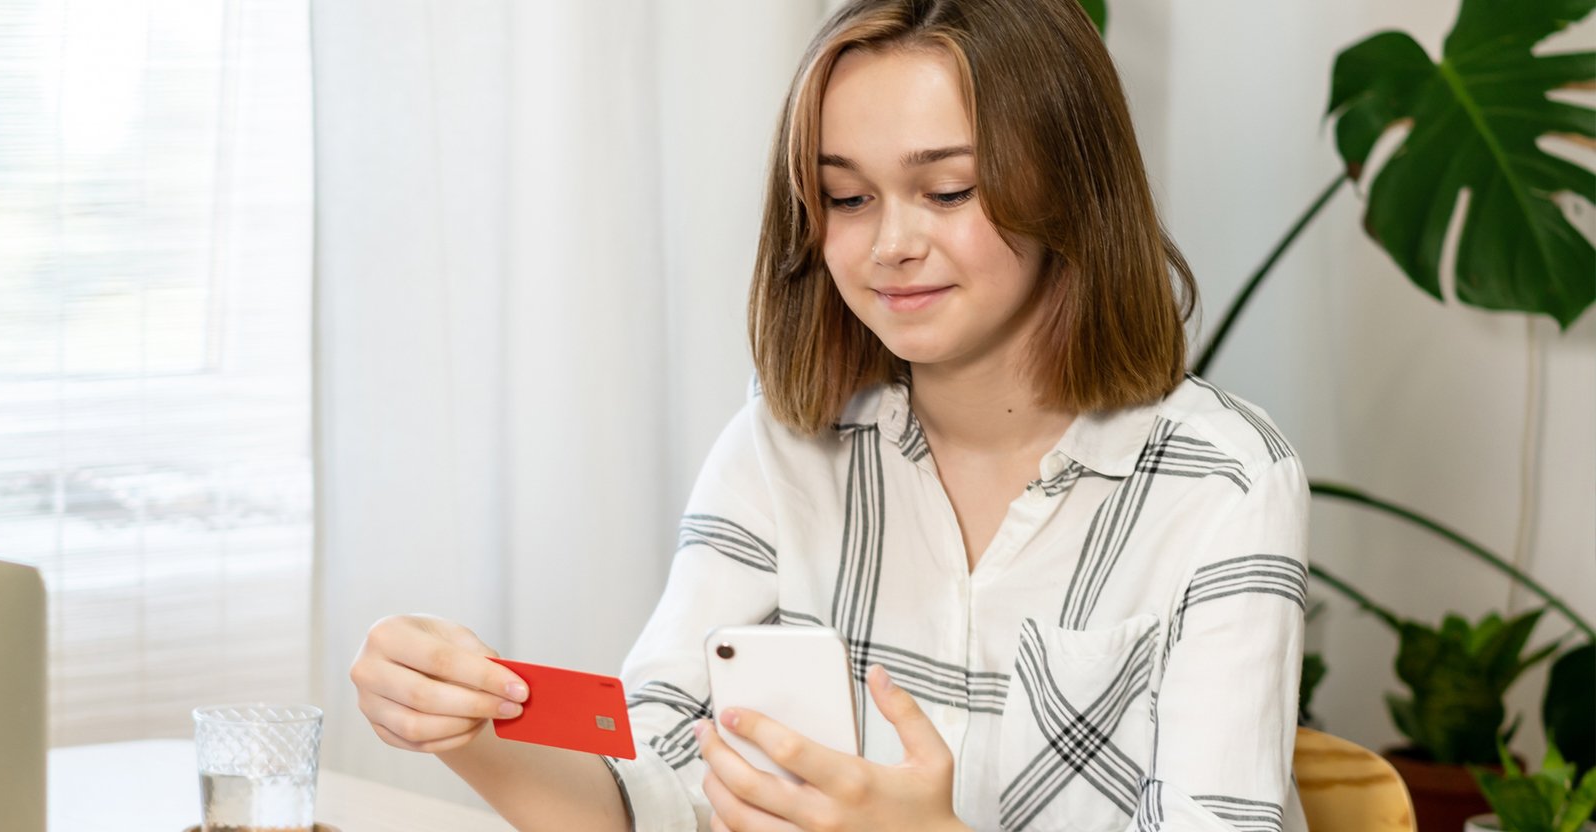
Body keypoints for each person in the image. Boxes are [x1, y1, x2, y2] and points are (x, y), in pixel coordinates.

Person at [348, 0, 1311, 829]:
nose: (890, 243)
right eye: (847, 197)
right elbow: (653, 794)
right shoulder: (782, 447)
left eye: (948, 190)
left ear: (1071, 187)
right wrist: (466, 727)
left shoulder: (1224, 482)